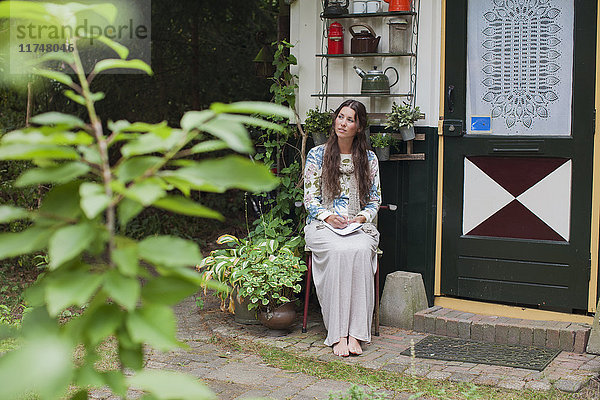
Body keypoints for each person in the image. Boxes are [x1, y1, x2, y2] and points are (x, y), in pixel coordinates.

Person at [303, 99, 381, 357]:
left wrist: (360, 219)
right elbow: (310, 198)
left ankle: (356, 334)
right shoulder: (317, 154)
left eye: (350, 119)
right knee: (338, 251)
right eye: (340, 117)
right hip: (323, 225)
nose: (343, 123)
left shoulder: (368, 158)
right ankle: (337, 334)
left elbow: (374, 200)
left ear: (359, 127)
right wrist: (327, 217)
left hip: (357, 226)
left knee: (359, 250)